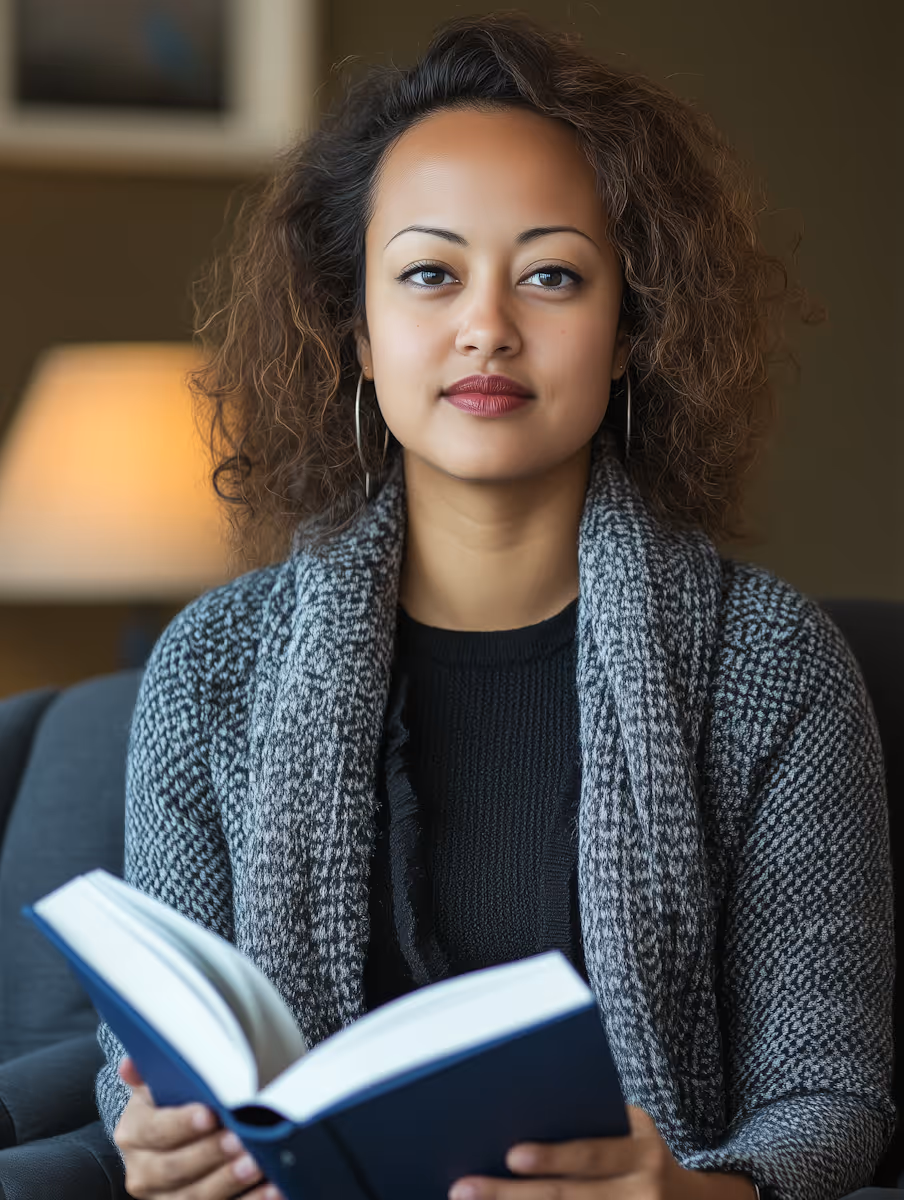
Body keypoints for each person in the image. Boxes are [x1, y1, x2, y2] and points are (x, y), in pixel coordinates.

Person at [96, 12, 894, 1200]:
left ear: (629, 330)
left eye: (552, 275)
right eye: (429, 274)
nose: (487, 327)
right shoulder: (213, 664)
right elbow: (140, 1068)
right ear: (358, 331)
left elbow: (829, 1093)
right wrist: (151, 1130)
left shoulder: (768, 662)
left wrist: (694, 1193)